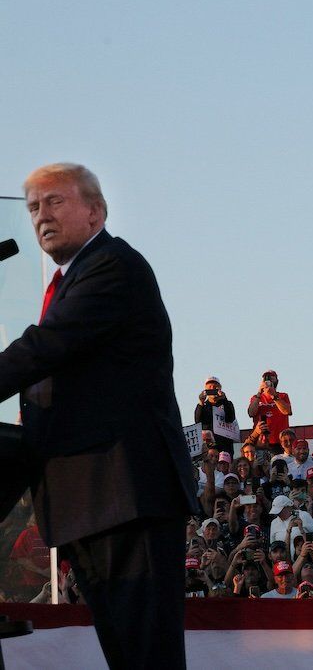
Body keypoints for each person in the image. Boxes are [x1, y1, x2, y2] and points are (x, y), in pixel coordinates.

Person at [0, 163, 198, 668]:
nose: (41, 215)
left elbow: (44, 348)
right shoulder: (73, 281)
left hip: (125, 496)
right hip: (87, 503)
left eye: (54, 201)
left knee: (147, 655)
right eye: (33, 207)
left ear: (95, 211)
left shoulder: (113, 267)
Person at [247, 369, 292, 453]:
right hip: (261, 442)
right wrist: (259, 393)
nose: (269, 380)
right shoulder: (255, 397)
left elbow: (287, 411)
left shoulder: (283, 396)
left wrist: (274, 396)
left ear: (277, 381)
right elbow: (251, 413)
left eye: (272, 378)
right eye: (266, 378)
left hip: (280, 442)